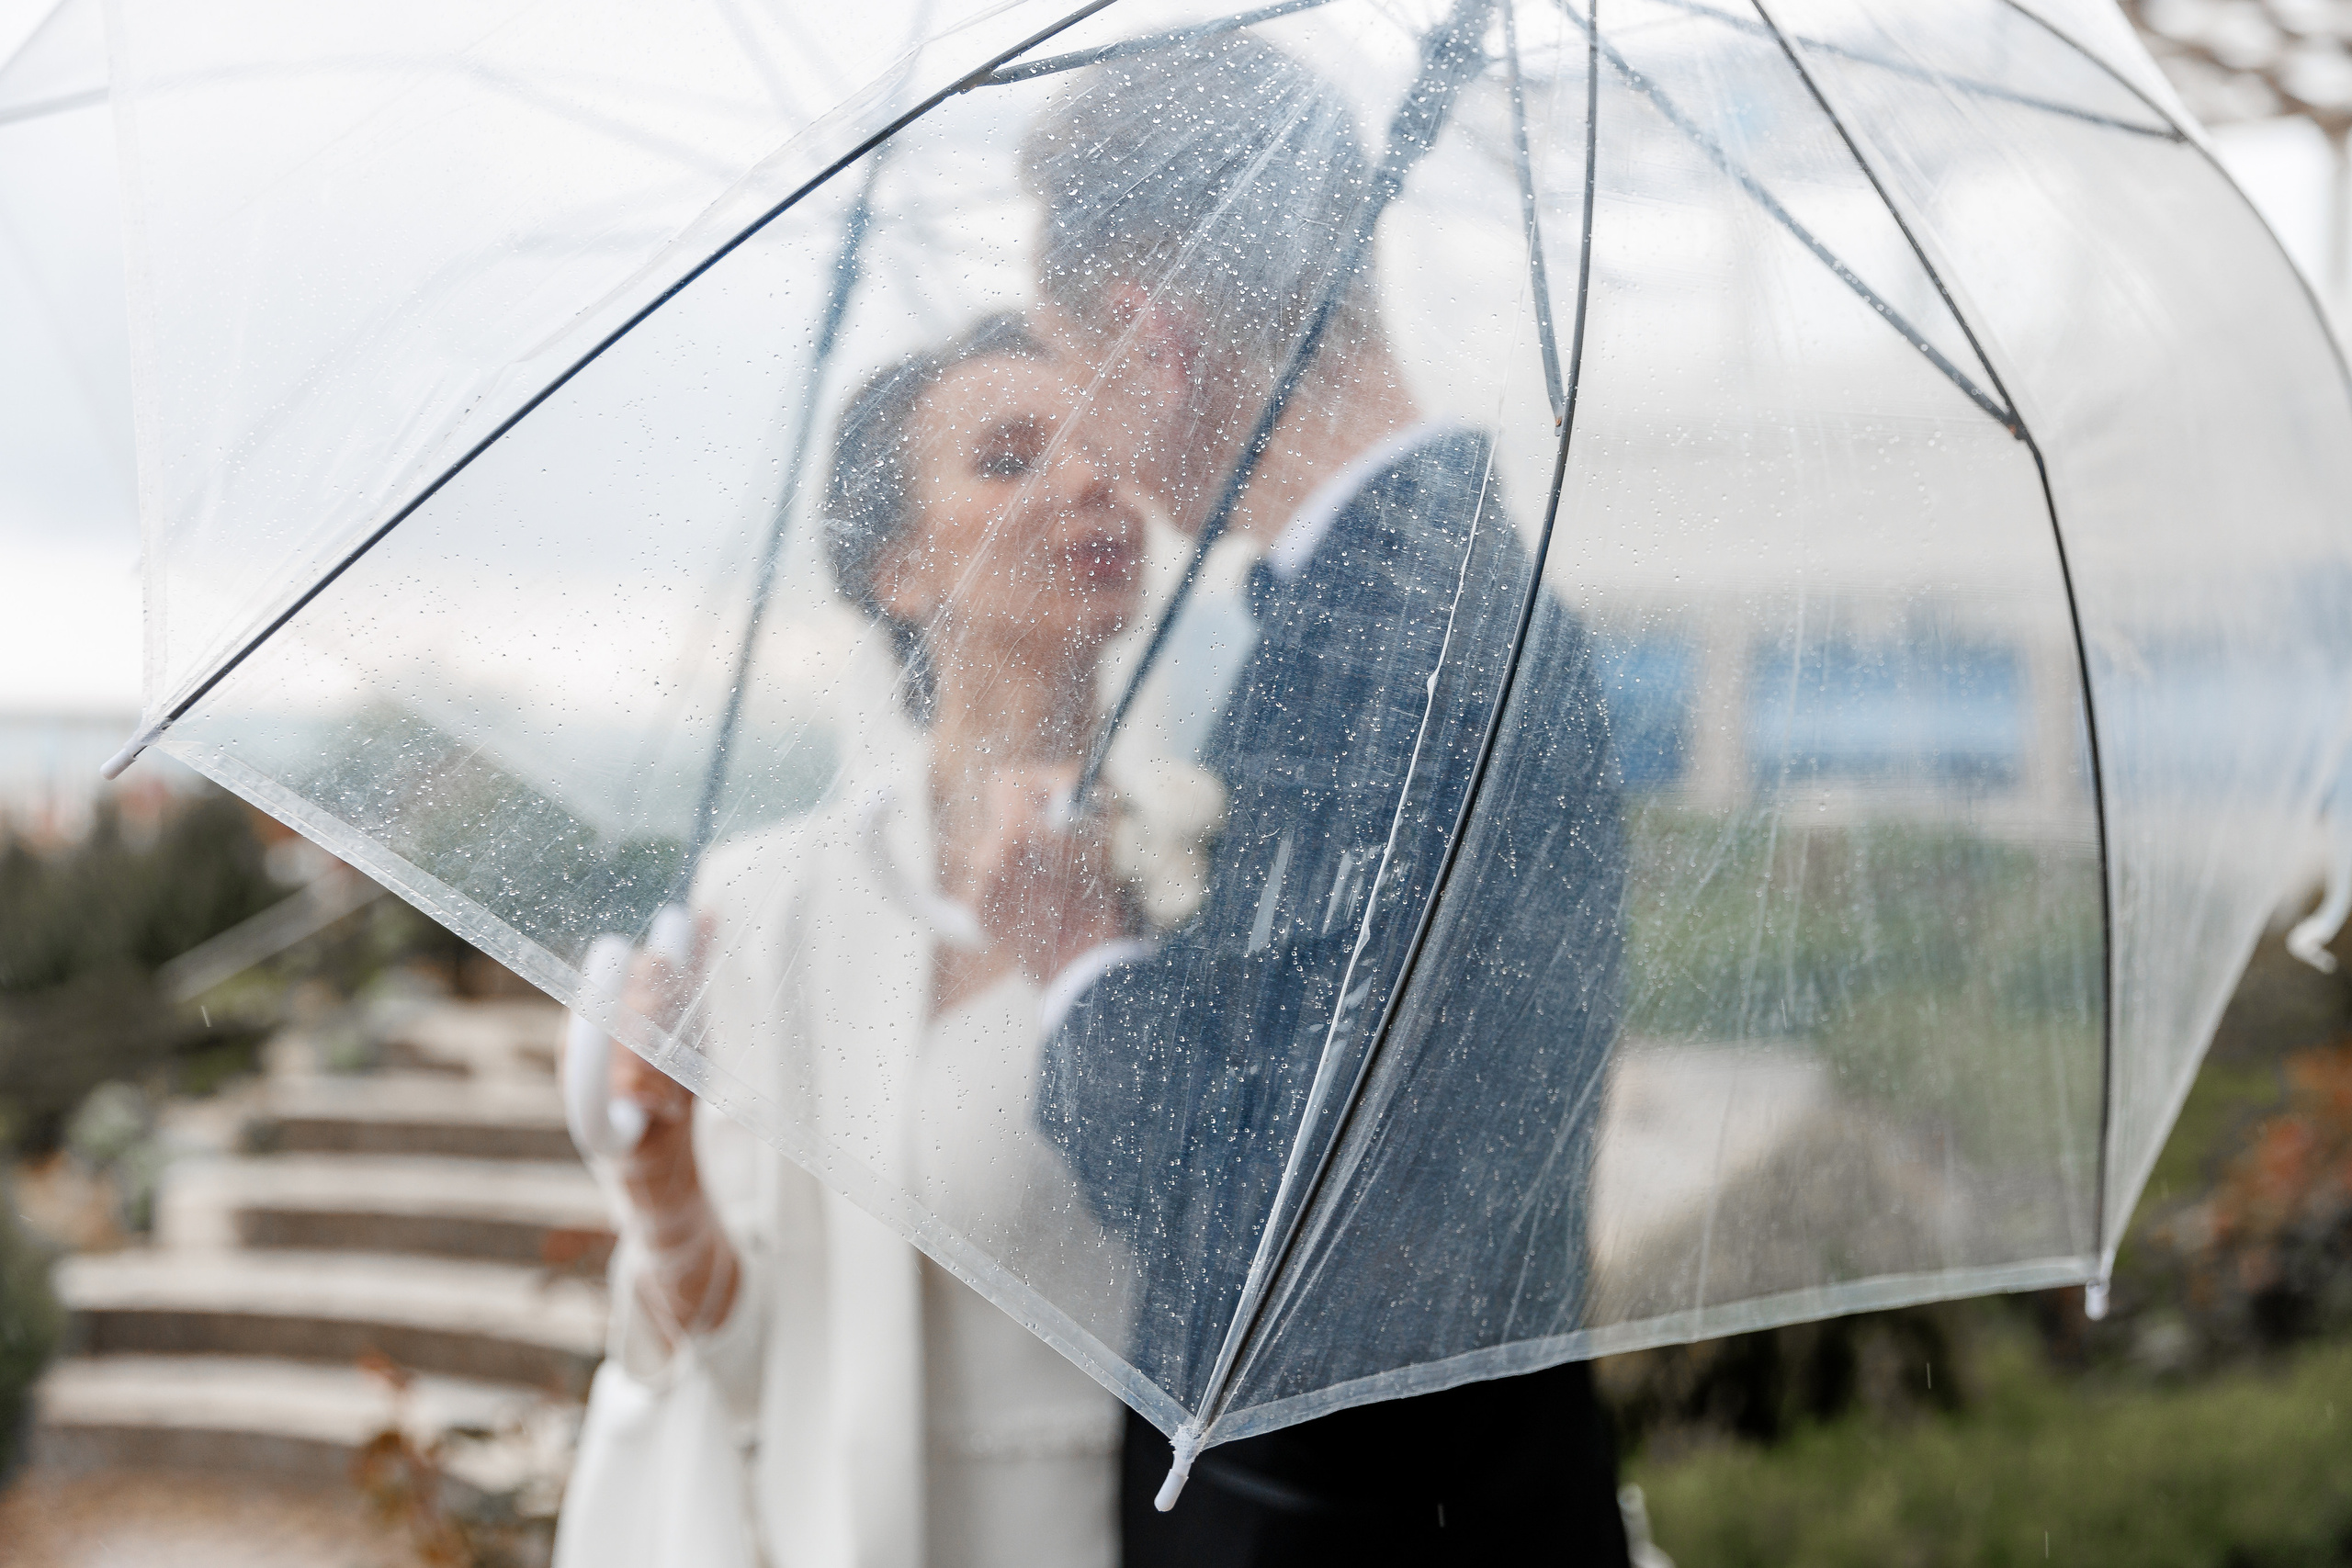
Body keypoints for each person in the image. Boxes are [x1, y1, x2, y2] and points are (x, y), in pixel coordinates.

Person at [984, 34, 1633, 1565]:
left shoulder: (1391, 646)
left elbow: (1279, 1219)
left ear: (1152, 341)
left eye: (1077, 378)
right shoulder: (1423, 601)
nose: (1092, 454)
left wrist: (1077, 960)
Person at [555, 315, 1213, 1568]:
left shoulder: (1213, 873)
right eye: (1012, 457)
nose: (1090, 479)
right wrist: (663, 1185)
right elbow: (746, 1369)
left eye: (1105, 447)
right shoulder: (770, 907)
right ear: (899, 569)